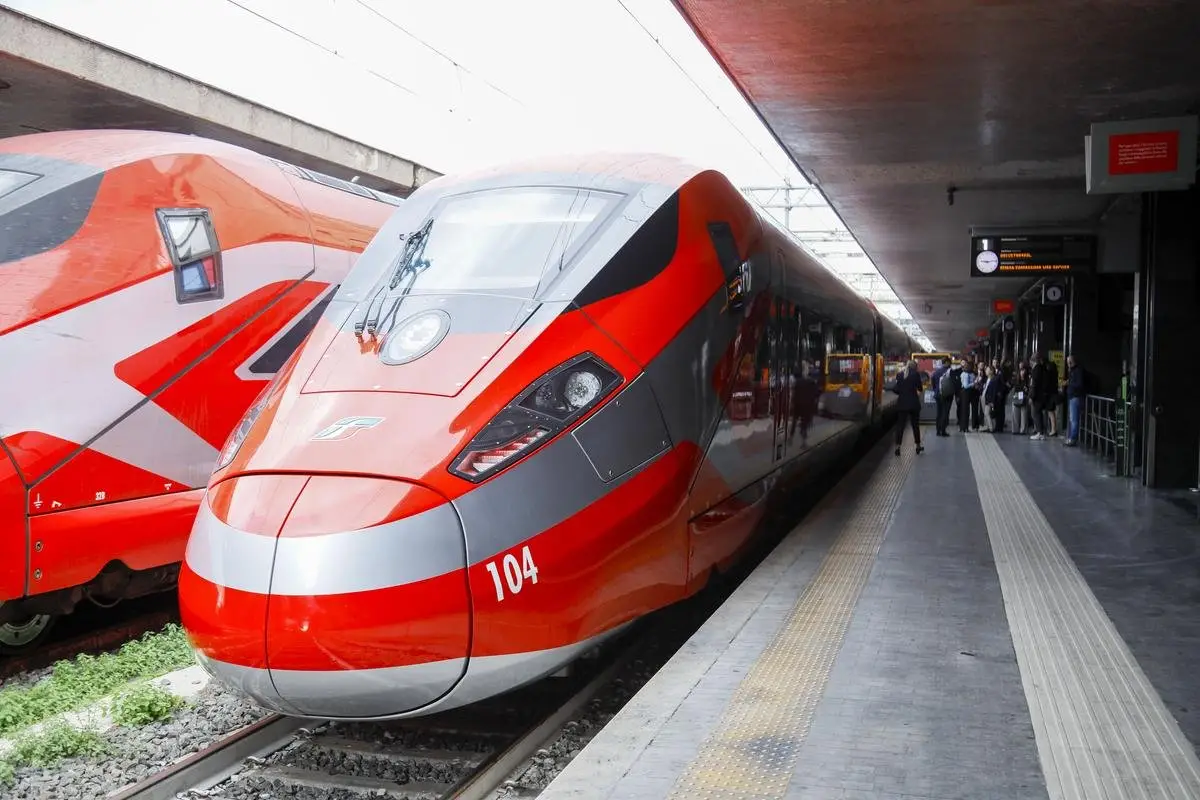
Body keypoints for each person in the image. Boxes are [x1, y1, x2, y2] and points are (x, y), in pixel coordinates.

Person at [892, 359, 925, 456]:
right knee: (915, 426)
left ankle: (898, 448)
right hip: (913, 404)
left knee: (900, 426)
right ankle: (918, 446)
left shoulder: (900, 375)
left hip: (902, 404)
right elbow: (920, 388)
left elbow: (896, 389)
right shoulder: (916, 375)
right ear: (915, 367)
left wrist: (902, 392)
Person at [1064, 355, 1086, 446]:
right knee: (1072, 418)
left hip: (1075, 397)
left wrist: (1069, 383)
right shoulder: (1072, 371)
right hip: (1072, 397)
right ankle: (1071, 437)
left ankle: (1073, 438)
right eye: (1067, 362)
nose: (1068, 364)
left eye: (1069, 362)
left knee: (1074, 419)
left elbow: (1080, 384)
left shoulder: (1078, 371)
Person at [930, 357, 953, 437]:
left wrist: (935, 390)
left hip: (938, 394)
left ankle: (938, 430)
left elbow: (932, 382)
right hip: (947, 395)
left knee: (939, 412)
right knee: (945, 413)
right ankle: (943, 430)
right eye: (950, 362)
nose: (950, 364)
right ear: (947, 362)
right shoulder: (950, 371)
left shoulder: (936, 371)